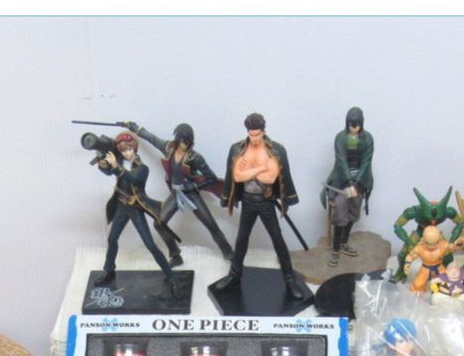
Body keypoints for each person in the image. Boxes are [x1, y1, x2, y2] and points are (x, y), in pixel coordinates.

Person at [213, 112, 307, 299]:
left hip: (265, 201)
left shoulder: (275, 150)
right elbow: (238, 176)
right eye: (251, 134)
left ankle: (289, 280)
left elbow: (270, 178)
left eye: (257, 134)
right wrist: (261, 167)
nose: (254, 138)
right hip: (248, 200)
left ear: (263, 131)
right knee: (241, 239)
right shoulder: (238, 149)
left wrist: (249, 170)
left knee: (277, 240)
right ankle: (234, 275)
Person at [120, 119, 233, 261]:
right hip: (176, 193)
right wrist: (134, 127)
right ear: (177, 139)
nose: (183, 144)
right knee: (159, 223)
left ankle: (229, 254)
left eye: (187, 141)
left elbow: (211, 178)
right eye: (181, 140)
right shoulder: (169, 148)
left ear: (191, 141)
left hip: (191, 195)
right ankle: (175, 254)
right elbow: (152, 138)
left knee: (211, 225)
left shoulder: (195, 157)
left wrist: (194, 186)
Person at [93, 131, 180, 296]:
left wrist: (115, 166)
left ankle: (172, 278)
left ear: (134, 148)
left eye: (128, 149)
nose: (126, 153)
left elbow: (132, 178)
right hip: (121, 207)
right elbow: (108, 171)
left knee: (150, 245)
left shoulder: (142, 168)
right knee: (112, 239)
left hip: (135, 209)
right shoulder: (119, 162)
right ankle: (109, 271)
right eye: (122, 150)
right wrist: (103, 164)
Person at [321, 106, 374, 266]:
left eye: (357, 125)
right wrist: (349, 183)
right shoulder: (340, 138)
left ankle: (344, 243)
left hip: (359, 180)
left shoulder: (368, 139)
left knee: (354, 211)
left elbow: (366, 162)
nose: (354, 128)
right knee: (340, 209)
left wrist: (356, 183)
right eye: (351, 125)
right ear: (347, 123)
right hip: (341, 180)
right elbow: (341, 160)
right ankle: (336, 249)